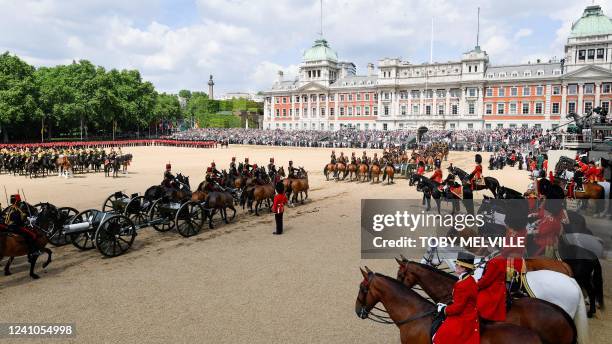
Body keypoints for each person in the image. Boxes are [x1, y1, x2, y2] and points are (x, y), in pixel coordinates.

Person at [433, 252, 479, 344]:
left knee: (440, 336)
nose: (456, 266)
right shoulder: (470, 279)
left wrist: (444, 309)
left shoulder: (463, 284)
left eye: (459, 265)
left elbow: (457, 308)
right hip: (469, 313)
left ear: (464, 268)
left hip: (464, 317)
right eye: (457, 264)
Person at [477, 252, 507, 322]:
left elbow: (486, 280)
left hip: (492, 289)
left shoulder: (494, 261)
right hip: (500, 287)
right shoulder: (501, 257)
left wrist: (476, 286)